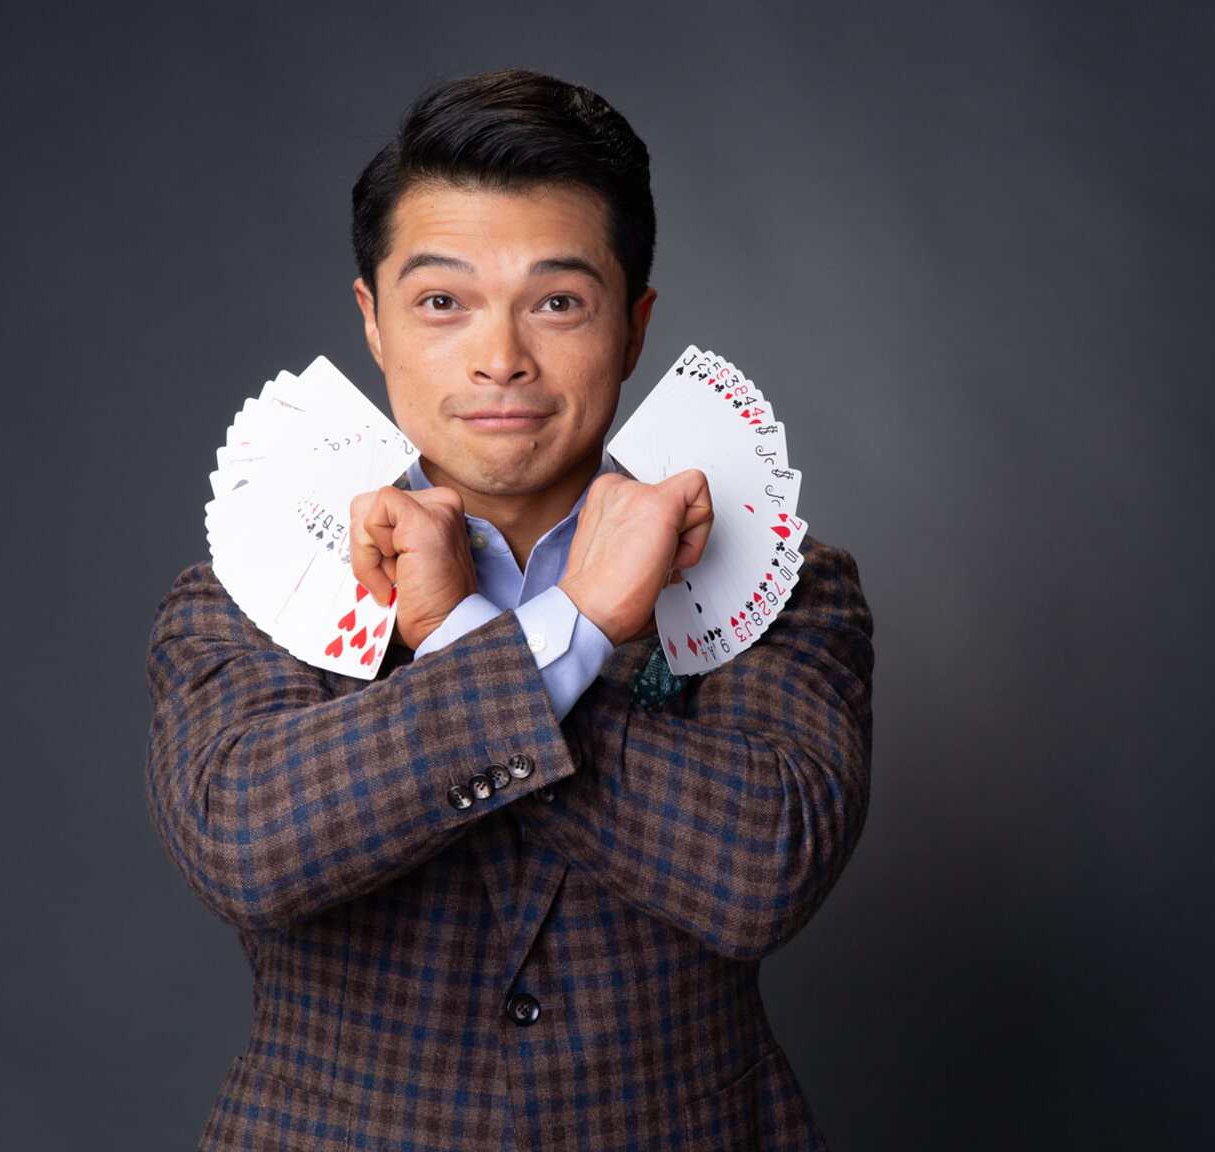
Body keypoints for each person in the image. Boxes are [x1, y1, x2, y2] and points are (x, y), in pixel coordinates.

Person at [145, 67, 875, 1151]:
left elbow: (762, 868)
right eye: (441, 302)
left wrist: (459, 642)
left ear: (631, 329)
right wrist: (572, 630)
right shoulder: (250, 588)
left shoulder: (782, 581)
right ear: (374, 322)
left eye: (556, 302)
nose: (500, 359)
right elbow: (250, 848)